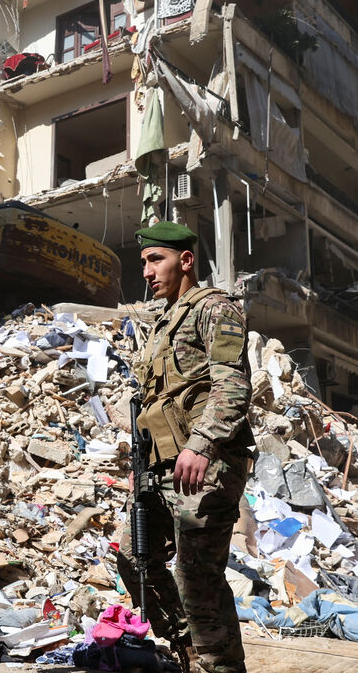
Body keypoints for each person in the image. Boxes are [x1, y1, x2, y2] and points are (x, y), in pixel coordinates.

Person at [114, 220, 253, 673]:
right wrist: (143, 463)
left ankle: (220, 666)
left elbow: (231, 385)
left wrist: (203, 443)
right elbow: (153, 401)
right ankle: (189, 650)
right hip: (162, 466)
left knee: (197, 577)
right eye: (144, 263)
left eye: (157, 260)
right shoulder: (162, 322)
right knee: (134, 556)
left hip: (205, 462)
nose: (148, 272)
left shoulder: (215, 309)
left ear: (186, 261)